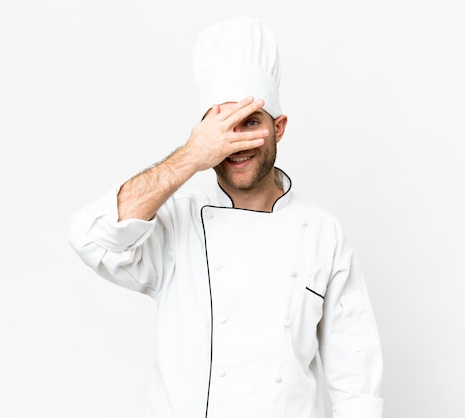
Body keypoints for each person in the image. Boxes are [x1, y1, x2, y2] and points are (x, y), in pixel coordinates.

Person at [69, 16, 383, 418]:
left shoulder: (322, 234)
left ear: (279, 128)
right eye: (223, 127)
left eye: (250, 123)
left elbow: (356, 382)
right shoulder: (173, 223)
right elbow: (90, 238)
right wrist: (190, 157)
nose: (236, 142)